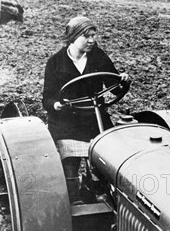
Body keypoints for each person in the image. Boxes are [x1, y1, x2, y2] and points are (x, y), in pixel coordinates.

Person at [42, 16, 130, 205]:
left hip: (95, 117)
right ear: (72, 37)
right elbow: (47, 97)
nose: (91, 40)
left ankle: (104, 192)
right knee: (69, 158)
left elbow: (114, 87)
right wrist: (56, 105)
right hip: (67, 120)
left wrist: (123, 81)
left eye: (93, 35)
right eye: (86, 36)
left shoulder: (99, 57)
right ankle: (73, 197)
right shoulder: (56, 62)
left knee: (107, 157)